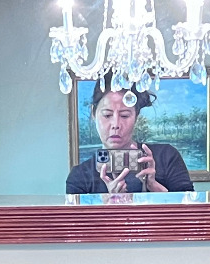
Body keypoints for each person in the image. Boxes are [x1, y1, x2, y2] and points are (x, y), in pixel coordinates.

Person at [65, 79, 195, 195]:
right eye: (107, 115)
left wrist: (155, 187)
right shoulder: (79, 177)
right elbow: (76, 221)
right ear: (94, 113)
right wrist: (107, 205)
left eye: (125, 115)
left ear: (136, 116)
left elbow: (191, 215)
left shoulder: (166, 156)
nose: (116, 125)